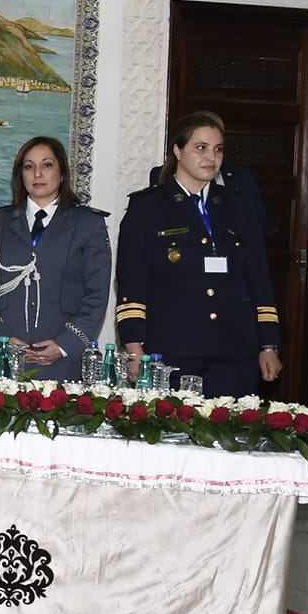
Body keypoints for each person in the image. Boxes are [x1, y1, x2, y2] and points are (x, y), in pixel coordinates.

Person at [115, 111, 280, 400]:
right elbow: (131, 282)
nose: (211, 158)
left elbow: (259, 280)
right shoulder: (148, 207)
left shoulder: (239, 206)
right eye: (200, 148)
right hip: (172, 348)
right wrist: (133, 346)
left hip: (233, 349)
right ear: (178, 151)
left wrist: (268, 345)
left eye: (217, 149)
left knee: (228, 438)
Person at [0, 135, 112, 382]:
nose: (37, 174)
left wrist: (65, 345)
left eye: (47, 165)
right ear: (20, 175)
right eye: (28, 166)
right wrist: (2, 339)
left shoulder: (88, 224)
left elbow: (96, 295)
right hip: (5, 361)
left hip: (65, 363)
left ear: (62, 173)